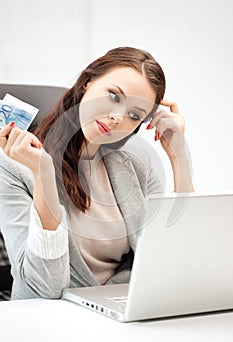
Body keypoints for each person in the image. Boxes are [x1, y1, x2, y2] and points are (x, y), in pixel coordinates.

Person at [0, 47, 194, 300]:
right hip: (49, 318)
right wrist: (43, 174)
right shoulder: (13, 164)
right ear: (87, 83)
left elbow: (174, 259)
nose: (116, 118)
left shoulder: (137, 159)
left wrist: (178, 156)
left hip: (121, 308)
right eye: (114, 96)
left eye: (134, 115)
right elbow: (43, 288)